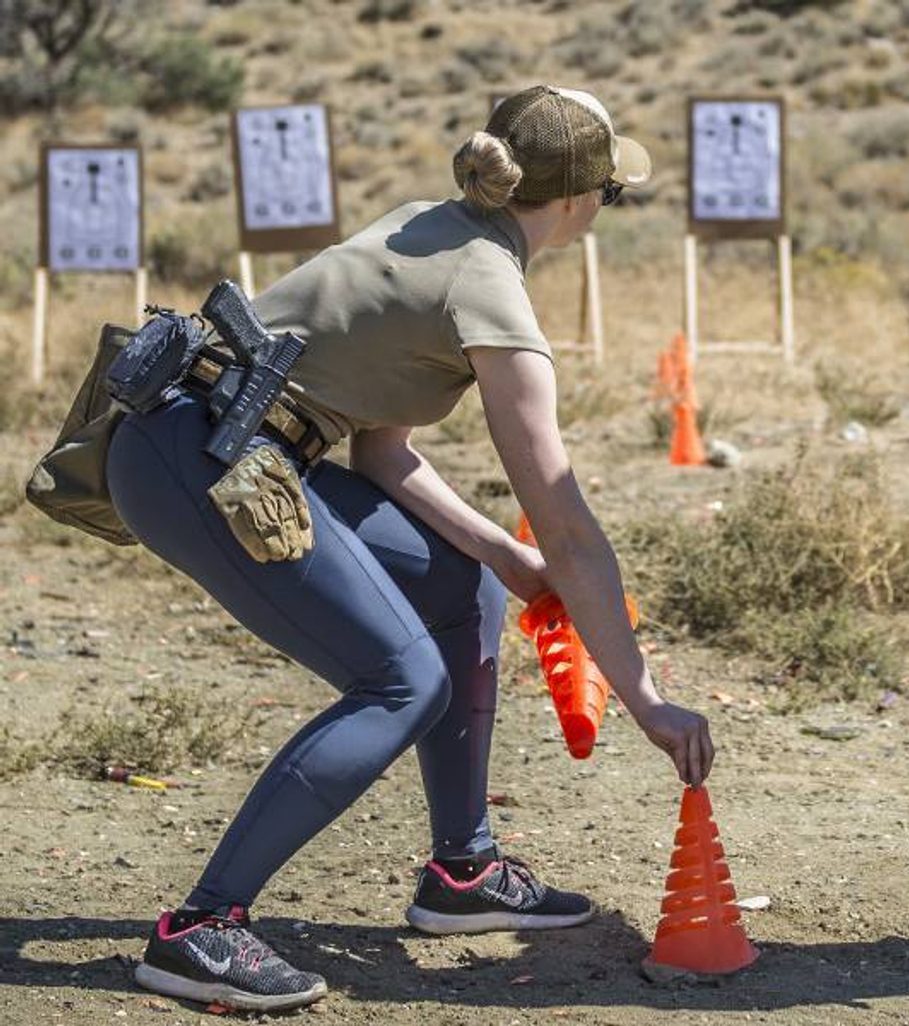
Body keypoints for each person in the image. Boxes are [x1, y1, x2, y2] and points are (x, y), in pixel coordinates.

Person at [105, 85, 715, 1013]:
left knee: (460, 587)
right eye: (609, 192)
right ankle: (201, 929)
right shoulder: (490, 289)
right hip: (205, 459)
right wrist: (646, 700)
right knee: (402, 680)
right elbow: (565, 522)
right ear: (580, 200)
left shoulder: (434, 226)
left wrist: (503, 558)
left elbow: (381, 452)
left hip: (215, 442)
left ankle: (460, 872)